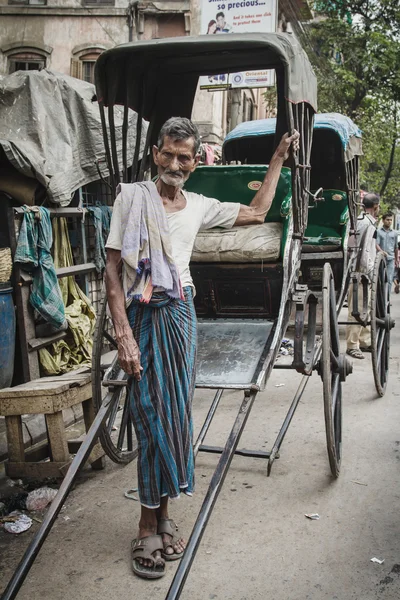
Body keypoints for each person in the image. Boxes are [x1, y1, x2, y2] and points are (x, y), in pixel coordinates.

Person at [105, 117, 300, 579]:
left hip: (181, 315)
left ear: (195, 162)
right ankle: (146, 522)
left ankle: (164, 515)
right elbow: (112, 272)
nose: (175, 163)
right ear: (156, 153)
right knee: (150, 415)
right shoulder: (131, 199)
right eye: (168, 154)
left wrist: (275, 162)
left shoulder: (200, 206)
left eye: (184, 157)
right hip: (142, 315)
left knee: (174, 415)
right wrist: (123, 334)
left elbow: (256, 212)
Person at [346, 192, 380, 359]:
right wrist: (366, 272)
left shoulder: (359, 221)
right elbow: (364, 251)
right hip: (361, 272)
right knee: (358, 309)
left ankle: (364, 340)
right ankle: (353, 344)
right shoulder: (367, 224)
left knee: (365, 308)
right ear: (375, 207)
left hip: (357, 269)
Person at [376, 211, 399, 294]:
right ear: (383, 220)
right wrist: (381, 251)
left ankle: (387, 300)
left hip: (391, 259)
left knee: (389, 279)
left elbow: (396, 247)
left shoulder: (394, 233)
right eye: (387, 220)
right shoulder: (378, 232)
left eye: (390, 220)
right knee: (381, 279)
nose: (389, 221)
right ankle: (381, 299)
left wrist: (396, 259)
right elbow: (376, 244)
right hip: (381, 259)